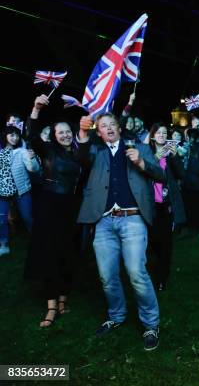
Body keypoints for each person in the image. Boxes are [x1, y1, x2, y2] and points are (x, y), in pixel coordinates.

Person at [77, 112, 164, 351]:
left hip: (132, 218)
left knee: (136, 271)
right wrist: (83, 134)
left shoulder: (138, 148)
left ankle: (151, 324)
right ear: (100, 132)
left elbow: (161, 174)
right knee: (106, 275)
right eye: (103, 126)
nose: (108, 128)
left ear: (119, 127)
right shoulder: (96, 152)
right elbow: (81, 158)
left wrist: (141, 163)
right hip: (104, 221)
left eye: (112, 124)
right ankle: (116, 315)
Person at [23, 95, 85, 327]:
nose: (65, 135)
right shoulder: (48, 150)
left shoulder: (78, 153)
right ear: (54, 135)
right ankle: (50, 307)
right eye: (60, 132)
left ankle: (62, 300)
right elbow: (30, 135)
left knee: (68, 252)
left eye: (68, 131)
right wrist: (36, 109)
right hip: (49, 206)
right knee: (49, 253)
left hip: (71, 208)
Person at [147, 123, 186, 291]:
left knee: (165, 243)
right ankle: (149, 275)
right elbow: (143, 171)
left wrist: (175, 155)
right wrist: (156, 157)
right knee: (150, 243)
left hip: (166, 205)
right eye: (159, 132)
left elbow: (181, 174)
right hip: (149, 205)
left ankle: (162, 278)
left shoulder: (170, 154)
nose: (162, 135)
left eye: (165, 132)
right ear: (153, 135)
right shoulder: (146, 152)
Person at [0, 126, 38, 255]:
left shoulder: (22, 151)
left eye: (17, 135)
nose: (15, 138)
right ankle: (3, 244)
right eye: (11, 135)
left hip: (21, 190)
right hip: (2, 191)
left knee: (27, 217)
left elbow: (33, 169)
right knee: (1, 219)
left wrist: (32, 158)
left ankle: (36, 240)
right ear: (5, 136)